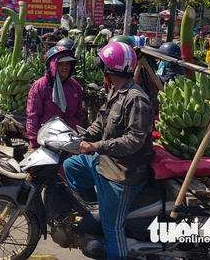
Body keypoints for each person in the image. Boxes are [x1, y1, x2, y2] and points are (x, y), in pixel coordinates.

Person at [63, 42, 153, 260]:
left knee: (113, 229)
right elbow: (101, 123)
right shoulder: (116, 91)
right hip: (106, 160)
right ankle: (97, 211)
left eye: (102, 64)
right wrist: (80, 139)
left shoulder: (136, 99)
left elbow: (134, 141)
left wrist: (96, 146)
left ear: (109, 68)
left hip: (123, 173)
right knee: (70, 166)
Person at [26, 46, 84, 148]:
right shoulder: (40, 86)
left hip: (70, 139)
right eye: (60, 64)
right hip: (48, 140)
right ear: (52, 65)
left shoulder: (75, 87)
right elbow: (33, 116)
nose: (65, 67)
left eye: (68, 64)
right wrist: (34, 143)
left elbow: (79, 115)